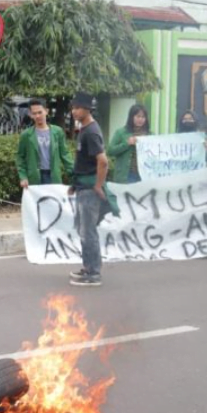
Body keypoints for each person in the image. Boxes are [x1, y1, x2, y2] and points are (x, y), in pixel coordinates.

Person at [67, 92, 116, 288]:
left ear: (88, 109)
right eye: (73, 107)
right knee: (83, 229)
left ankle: (94, 272)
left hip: (89, 190)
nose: (73, 111)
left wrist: (97, 185)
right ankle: (88, 267)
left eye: (77, 108)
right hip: (82, 187)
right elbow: (84, 162)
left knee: (88, 232)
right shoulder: (84, 129)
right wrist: (74, 185)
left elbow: (102, 161)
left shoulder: (92, 131)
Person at [15, 98, 73, 187]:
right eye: (34, 113)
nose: (37, 116)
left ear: (46, 111)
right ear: (30, 115)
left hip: (53, 176)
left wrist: (74, 175)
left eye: (40, 112)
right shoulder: (26, 135)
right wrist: (23, 177)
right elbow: (20, 157)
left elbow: (65, 155)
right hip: (34, 177)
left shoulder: (57, 132)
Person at [107, 104, 150, 183]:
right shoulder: (121, 132)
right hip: (128, 175)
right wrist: (127, 143)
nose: (140, 119)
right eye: (138, 116)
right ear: (131, 117)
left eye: (143, 117)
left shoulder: (150, 135)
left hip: (145, 175)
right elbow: (110, 151)